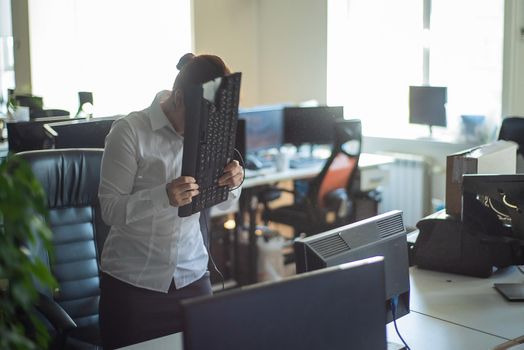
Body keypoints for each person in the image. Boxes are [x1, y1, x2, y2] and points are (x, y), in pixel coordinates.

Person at [98, 53, 243, 349]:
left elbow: (225, 206)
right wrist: (161, 196)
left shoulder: (207, 132)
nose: (202, 128)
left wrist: (234, 183)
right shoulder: (129, 132)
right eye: (198, 117)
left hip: (192, 276)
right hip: (134, 287)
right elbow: (110, 210)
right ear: (178, 98)